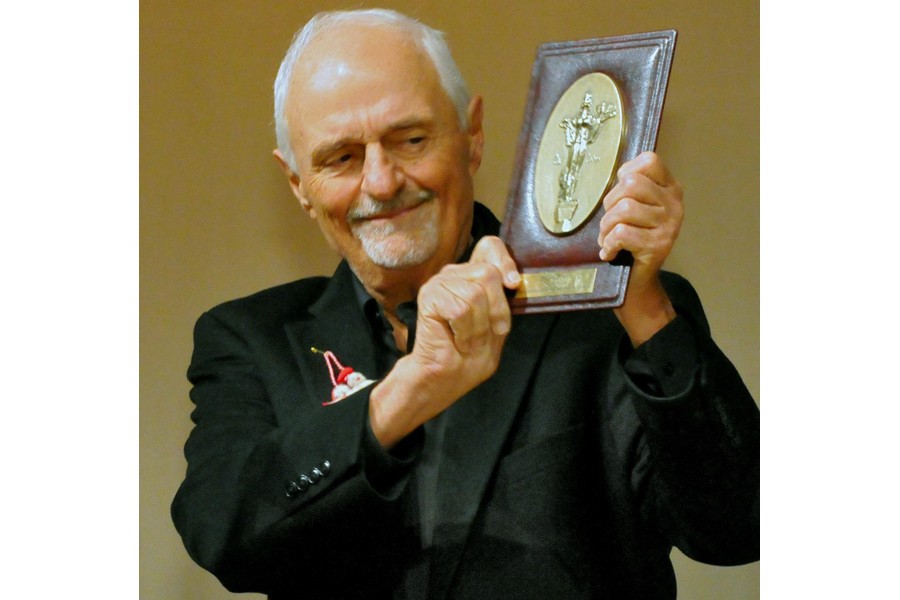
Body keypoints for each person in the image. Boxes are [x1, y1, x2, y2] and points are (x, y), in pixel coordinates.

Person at [171, 8, 759, 600]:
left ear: (472, 135)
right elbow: (223, 536)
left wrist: (645, 309)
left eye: (411, 140)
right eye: (341, 157)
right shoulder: (251, 339)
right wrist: (410, 392)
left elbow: (739, 528)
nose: (381, 182)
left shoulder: (617, 318)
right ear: (299, 184)